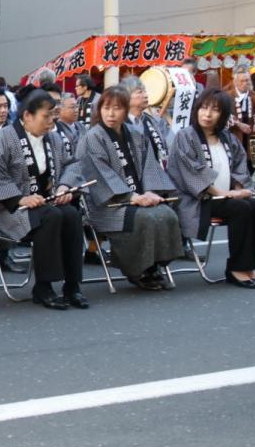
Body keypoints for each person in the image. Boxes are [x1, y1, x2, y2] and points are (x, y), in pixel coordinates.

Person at [0, 89, 87, 309]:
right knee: (51, 216)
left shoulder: (54, 137)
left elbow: (71, 164)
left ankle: (72, 285)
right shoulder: (3, 138)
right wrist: (21, 198)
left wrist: (65, 186)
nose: (51, 121)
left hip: (46, 202)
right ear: (27, 116)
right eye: (46, 116)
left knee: (71, 215)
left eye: (53, 116)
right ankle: (43, 286)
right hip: (9, 209)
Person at [78, 85, 183, 292]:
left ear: (126, 110)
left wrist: (152, 192)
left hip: (139, 198)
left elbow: (150, 167)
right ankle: (138, 270)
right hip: (108, 204)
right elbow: (98, 175)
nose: (110, 113)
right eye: (106, 108)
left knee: (167, 214)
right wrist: (132, 196)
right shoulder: (92, 138)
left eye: (116, 108)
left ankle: (154, 266)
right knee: (144, 218)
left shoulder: (136, 134)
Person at [166, 88, 255, 288]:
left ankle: (249, 267)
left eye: (215, 110)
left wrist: (238, 189)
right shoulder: (186, 136)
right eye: (203, 108)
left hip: (226, 197)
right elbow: (190, 172)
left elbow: (239, 164)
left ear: (224, 115)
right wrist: (224, 194)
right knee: (241, 208)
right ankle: (236, 269)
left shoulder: (227, 137)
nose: (207, 114)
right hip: (197, 200)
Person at [124, 79, 171, 168]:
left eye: (145, 91)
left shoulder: (154, 120)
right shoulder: (120, 124)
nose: (145, 95)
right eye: (139, 92)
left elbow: (171, 143)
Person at [228, 69, 255, 172]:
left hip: (251, 135)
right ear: (235, 82)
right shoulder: (227, 95)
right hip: (234, 134)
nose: (246, 83)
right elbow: (223, 114)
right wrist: (238, 124)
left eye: (248, 80)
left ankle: (248, 183)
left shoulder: (254, 95)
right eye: (242, 81)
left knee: (252, 163)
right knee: (235, 161)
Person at [53, 94, 86, 159]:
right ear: (60, 109)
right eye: (72, 107)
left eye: (77, 106)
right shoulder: (56, 129)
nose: (76, 110)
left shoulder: (81, 126)